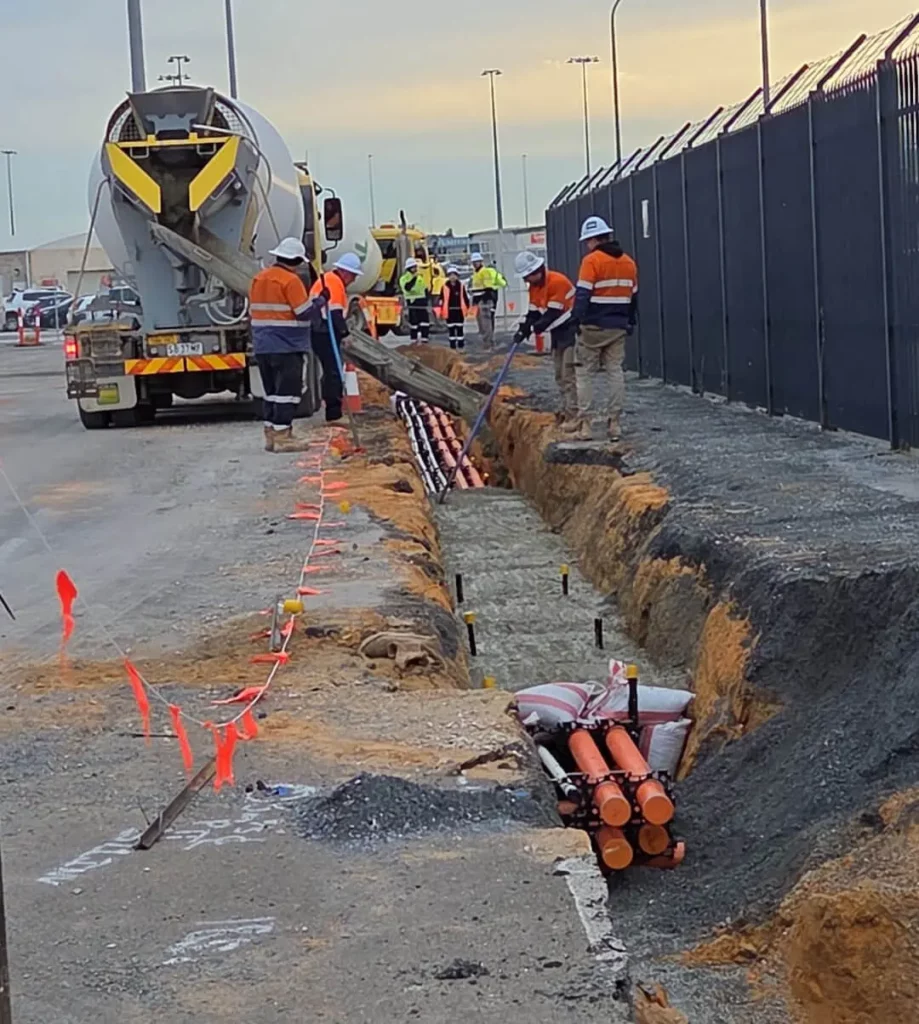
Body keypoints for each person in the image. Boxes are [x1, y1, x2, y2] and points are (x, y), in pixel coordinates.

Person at [249, 236, 327, 453]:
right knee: (288, 392)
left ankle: (271, 434)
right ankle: (283, 436)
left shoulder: (259, 278)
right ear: (296, 260)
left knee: (271, 391)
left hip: (263, 345)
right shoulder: (291, 281)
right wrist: (320, 301)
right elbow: (303, 313)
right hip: (287, 345)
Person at [572, 216, 638, 441]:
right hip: (618, 326)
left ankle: (586, 426)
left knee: (584, 374)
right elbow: (634, 297)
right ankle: (615, 424)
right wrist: (630, 321)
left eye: (587, 241)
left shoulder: (592, 261)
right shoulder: (629, 262)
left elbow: (583, 294)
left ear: (592, 240)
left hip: (593, 327)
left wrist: (576, 319)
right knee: (615, 372)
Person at [512, 252, 578, 423]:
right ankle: (566, 408)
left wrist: (534, 328)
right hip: (558, 333)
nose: (526, 281)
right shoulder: (535, 287)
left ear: (537, 271)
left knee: (568, 374)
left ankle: (573, 414)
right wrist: (524, 328)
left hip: (572, 331)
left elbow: (552, 314)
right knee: (559, 374)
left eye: (527, 276)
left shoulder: (557, 282)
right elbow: (534, 312)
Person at [308, 252, 363, 422]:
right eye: (353, 276)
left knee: (331, 371)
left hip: (320, 330)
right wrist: (345, 334)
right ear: (346, 273)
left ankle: (334, 410)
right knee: (333, 372)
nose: (353, 280)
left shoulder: (331, 280)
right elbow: (335, 315)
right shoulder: (334, 283)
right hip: (324, 332)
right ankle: (334, 414)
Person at [470, 252, 507, 349]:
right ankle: (486, 341)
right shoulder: (476, 272)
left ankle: (488, 342)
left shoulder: (484, 272)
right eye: (474, 262)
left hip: (484, 300)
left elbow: (488, 287)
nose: (475, 263)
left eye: (477, 261)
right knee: (481, 322)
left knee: (486, 322)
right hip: (478, 299)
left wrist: (486, 299)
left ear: (481, 262)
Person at [399, 257, 430, 343]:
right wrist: (414, 278)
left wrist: (426, 299)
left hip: (422, 302)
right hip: (413, 302)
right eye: (413, 267)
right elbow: (407, 288)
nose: (415, 269)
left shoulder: (420, 277)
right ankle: (413, 340)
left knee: (425, 322)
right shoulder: (404, 278)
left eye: (415, 267)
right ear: (409, 268)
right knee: (414, 323)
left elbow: (424, 288)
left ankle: (425, 339)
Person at [440, 266, 471, 350]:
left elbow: (465, 297)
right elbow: (441, 299)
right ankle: (452, 347)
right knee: (451, 330)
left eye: (454, 275)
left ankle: (461, 346)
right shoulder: (444, 286)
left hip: (459, 311)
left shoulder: (461, 286)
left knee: (460, 329)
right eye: (450, 275)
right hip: (449, 312)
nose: (452, 277)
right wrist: (440, 309)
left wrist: (467, 308)